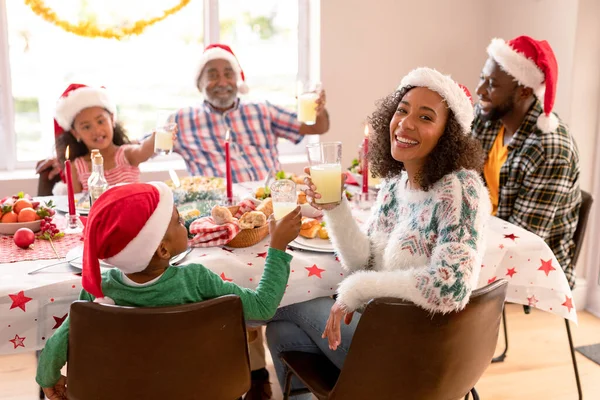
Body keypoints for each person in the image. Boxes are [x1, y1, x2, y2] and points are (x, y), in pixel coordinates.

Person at [265, 67, 491, 398]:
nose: (406, 123)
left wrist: (356, 290)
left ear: (448, 135)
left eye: (426, 118)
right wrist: (336, 206)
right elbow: (365, 261)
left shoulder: (461, 189)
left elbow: (451, 285)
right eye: (402, 110)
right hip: (382, 328)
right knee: (280, 331)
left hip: (423, 350)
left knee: (284, 305)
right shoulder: (395, 185)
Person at [36, 181, 302, 400]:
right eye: (176, 220)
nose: (184, 220)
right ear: (163, 250)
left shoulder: (98, 290)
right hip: (202, 391)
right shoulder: (197, 280)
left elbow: (58, 343)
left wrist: (48, 378)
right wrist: (277, 245)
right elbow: (264, 307)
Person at [473, 36, 581, 288]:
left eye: (491, 84)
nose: (480, 90)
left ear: (523, 90)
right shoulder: (488, 119)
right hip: (483, 236)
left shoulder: (549, 149)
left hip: (534, 262)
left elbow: (523, 241)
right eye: (482, 78)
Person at [169, 43, 330, 183]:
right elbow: (144, 149)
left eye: (228, 74)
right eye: (212, 75)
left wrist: (318, 109)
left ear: (237, 79)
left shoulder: (263, 110)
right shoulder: (182, 120)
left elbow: (317, 128)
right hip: (218, 210)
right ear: (199, 83)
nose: (223, 82)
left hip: (270, 204)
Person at [53, 83, 166, 193]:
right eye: (86, 127)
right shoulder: (76, 167)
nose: (96, 130)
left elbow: (144, 149)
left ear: (112, 119)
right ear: (75, 133)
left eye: (100, 121)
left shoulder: (126, 154)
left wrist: (157, 136)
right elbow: (74, 204)